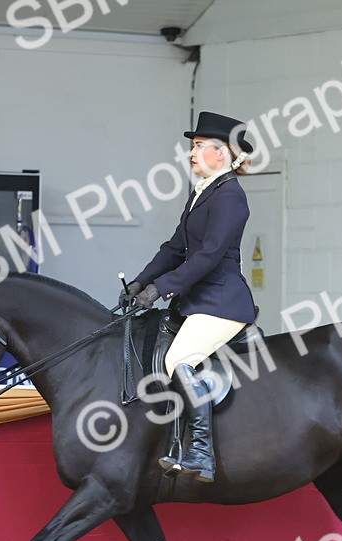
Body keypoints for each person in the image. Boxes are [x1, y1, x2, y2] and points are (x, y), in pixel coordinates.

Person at [120, 112, 257, 483]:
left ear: (223, 153)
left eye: (198, 147)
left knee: (179, 359)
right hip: (198, 299)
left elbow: (208, 256)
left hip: (222, 302)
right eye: (192, 147)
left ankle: (200, 453)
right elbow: (174, 248)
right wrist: (140, 283)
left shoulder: (230, 196)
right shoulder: (204, 192)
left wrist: (161, 289)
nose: (191, 154)